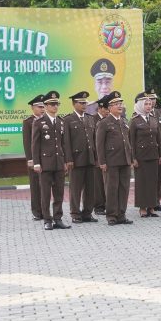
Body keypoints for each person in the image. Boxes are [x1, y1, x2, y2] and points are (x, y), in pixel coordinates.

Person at [32, 91, 70, 230]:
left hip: (59, 162)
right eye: (52, 104)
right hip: (45, 163)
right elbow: (35, 144)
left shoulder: (61, 121)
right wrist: (36, 163)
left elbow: (63, 144)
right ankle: (47, 220)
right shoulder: (39, 122)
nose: (55, 107)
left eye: (57, 104)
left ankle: (58, 218)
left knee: (59, 193)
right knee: (46, 194)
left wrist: (66, 161)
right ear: (46, 106)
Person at [95, 91, 134, 225]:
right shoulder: (104, 123)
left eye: (120, 103)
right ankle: (111, 215)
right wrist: (102, 162)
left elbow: (128, 142)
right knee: (111, 188)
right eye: (116, 104)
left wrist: (131, 158)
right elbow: (99, 144)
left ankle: (121, 214)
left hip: (125, 160)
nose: (120, 106)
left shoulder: (123, 121)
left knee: (124, 188)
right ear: (109, 107)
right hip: (111, 161)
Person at [62, 91, 98, 223]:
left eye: (85, 103)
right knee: (76, 188)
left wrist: (96, 157)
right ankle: (75, 213)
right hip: (76, 159)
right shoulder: (68, 119)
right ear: (74, 104)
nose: (84, 105)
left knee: (90, 188)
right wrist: (69, 159)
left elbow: (93, 139)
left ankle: (87, 213)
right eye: (81, 103)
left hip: (89, 158)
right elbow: (66, 141)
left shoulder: (90, 118)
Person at [130, 91, 161, 217]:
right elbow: (131, 141)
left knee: (153, 181)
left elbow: (159, 138)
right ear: (140, 105)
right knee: (142, 182)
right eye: (146, 104)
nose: (149, 106)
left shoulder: (154, 119)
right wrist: (133, 158)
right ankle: (142, 207)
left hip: (153, 155)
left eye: (150, 104)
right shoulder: (134, 121)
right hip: (141, 156)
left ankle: (152, 206)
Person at [22, 94, 46, 220]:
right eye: (39, 107)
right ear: (32, 108)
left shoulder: (47, 120)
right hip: (35, 159)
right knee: (36, 186)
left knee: (46, 186)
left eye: (43, 106)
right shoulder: (28, 122)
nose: (42, 109)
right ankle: (37, 212)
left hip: (47, 158)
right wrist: (30, 159)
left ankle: (46, 210)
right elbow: (27, 143)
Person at [148, 90, 161, 211]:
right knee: (149, 178)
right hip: (148, 150)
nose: (153, 101)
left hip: (160, 149)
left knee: (158, 177)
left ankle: (157, 201)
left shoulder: (160, 113)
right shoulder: (140, 113)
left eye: (154, 98)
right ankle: (149, 202)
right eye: (150, 99)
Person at [92, 100, 110, 216]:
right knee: (98, 183)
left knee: (107, 182)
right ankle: (99, 206)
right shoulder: (93, 119)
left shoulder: (109, 120)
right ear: (100, 108)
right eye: (106, 109)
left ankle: (107, 204)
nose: (107, 111)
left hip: (109, 155)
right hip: (96, 156)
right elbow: (94, 140)